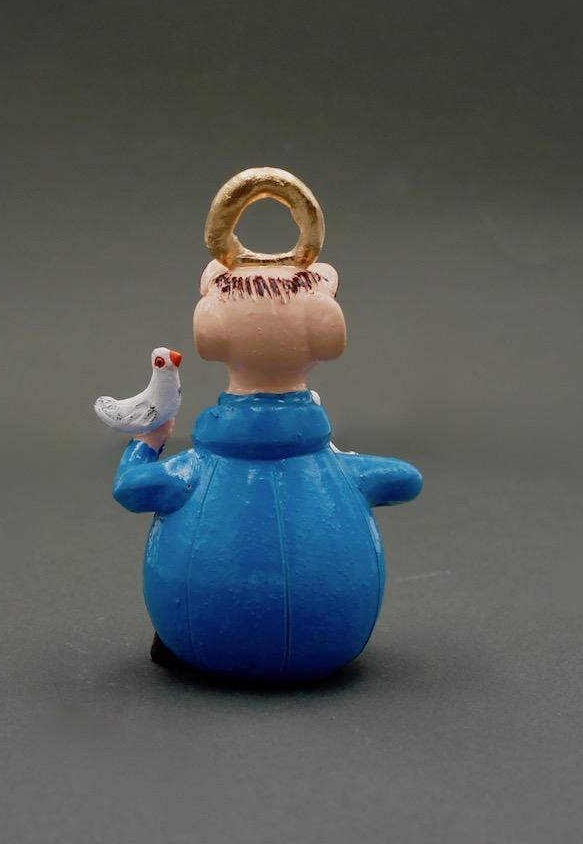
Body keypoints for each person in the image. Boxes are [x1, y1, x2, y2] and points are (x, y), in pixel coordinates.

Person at [110, 215, 422, 680]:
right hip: (332, 638)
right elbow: (407, 480)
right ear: (327, 332)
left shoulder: (190, 476)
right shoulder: (337, 476)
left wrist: (148, 443)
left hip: (203, 636)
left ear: (209, 332)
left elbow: (131, 489)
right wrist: (353, 466)